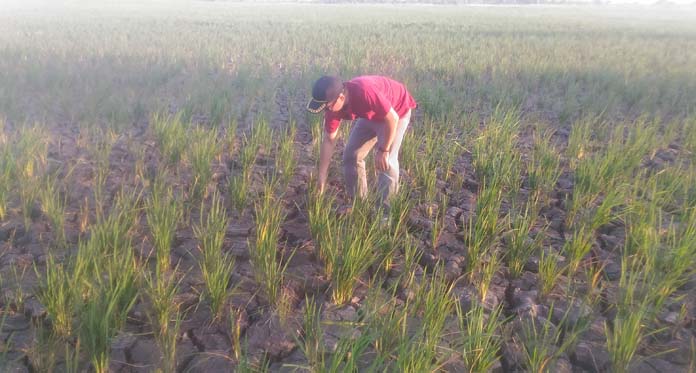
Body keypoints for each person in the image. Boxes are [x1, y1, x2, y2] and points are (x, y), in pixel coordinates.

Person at [306, 75, 417, 205]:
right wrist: (322, 176)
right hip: (372, 113)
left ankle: (385, 215)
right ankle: (359, 204)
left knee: (387, 162)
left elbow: (392, 118)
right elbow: (329, 140)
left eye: (326, 107)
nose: (326, 111)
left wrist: (384, 150)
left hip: (396, 111)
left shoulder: (364, 91)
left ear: (341, 98)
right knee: (351, 155)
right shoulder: (333, 107)